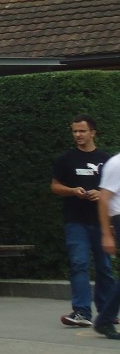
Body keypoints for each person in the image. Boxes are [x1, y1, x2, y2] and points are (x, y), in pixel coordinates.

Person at [51, 115, 116, 327]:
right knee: (79, 264)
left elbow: (115, 190)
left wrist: (101, 193)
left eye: (82, 131)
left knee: (105, 267)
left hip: (101, 221)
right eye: (75, 131)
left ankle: (107, 312)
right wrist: (72, 191)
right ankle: (81, 312)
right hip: (75, 221)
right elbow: (55, 186)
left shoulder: (106, 160)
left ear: (93, 133)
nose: (78, 135)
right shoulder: (66, 159)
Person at [94, 152, 120, 338]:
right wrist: (107, 234)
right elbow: (104, 198)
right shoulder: (117, 163)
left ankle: (105, 319)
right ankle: (104, 319)